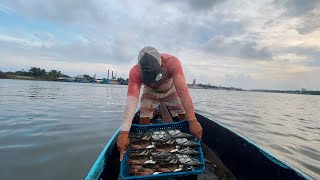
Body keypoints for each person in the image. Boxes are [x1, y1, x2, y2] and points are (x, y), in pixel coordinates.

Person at [117, 46, 203, 161]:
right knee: (144, 118)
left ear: (162, 61)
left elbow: (183, 91)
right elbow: (131, 101)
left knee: (183, 115)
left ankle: (184, 142)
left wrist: (192, 120)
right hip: (150, 91)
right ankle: (146, 147)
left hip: (170, 89)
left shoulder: (172, 62)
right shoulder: (135, 72)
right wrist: (123, 133)